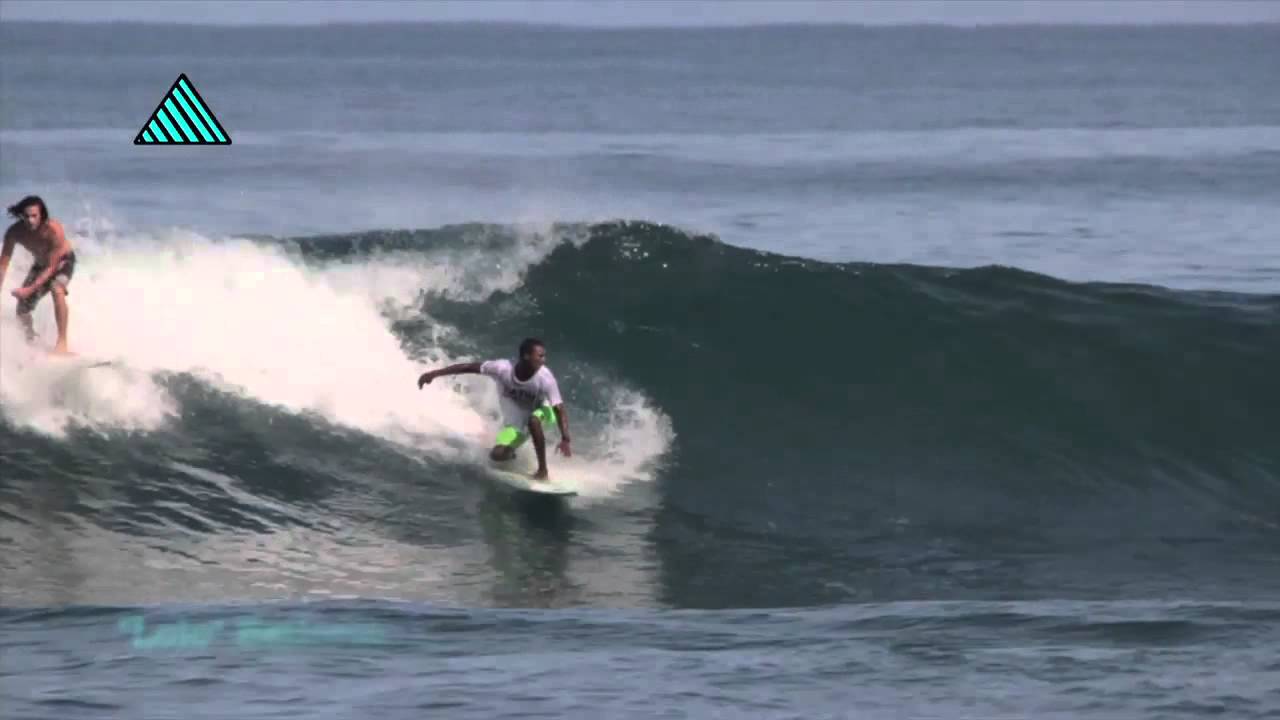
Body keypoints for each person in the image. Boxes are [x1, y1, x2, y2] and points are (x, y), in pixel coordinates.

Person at [418, 337, 571, 480]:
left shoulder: (545, 378)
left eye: (544, 356)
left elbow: (559, 408)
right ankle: (513, 454)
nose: (544, 360)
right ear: (526, 356)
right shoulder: (502, 368)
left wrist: (565, 438)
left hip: (544, 412)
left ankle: (542, 471)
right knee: (497, 455)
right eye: (540, 356)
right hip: (518, 423)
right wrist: (434, 374)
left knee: (533, 420)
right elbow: (470, 367)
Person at [0, 195, 76, 354]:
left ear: (42, 215)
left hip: (62, 262)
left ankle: (62, 344)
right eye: (26, 216)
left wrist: (29, 289)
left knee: (57, 289)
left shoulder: (53, 229)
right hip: (41, 265)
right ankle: (30, 342)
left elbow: (52, 267)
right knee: (22, 308)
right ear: (21, 216)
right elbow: (3, 266)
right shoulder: (14, 233)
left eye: (34, 216)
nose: (30, 220)